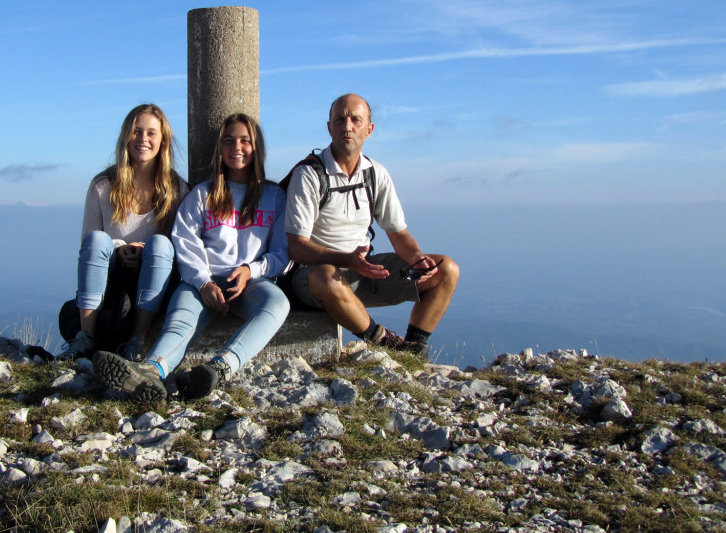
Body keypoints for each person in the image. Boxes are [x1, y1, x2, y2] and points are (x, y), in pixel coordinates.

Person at [94, 113, 290, 404]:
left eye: (245, 141)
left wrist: (251, 270)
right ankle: (151, 372)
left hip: (251, 284)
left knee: (278, 304)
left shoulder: (275, 196)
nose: (237, 147)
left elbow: (282, 253)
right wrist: (203, 282)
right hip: (202, 283)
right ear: (220, 148)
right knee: (179, 323)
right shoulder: (202, 194)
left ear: (257, 147)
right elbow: (184, 242)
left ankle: (219, 368)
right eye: (229, 141)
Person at [283, 93, 459, 357]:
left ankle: (413, 350)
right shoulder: (309, 174)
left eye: (356, 119)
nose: (347, 126)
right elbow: (297, 247)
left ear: (369, 129)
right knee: (327, 276)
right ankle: (383, 341)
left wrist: (417, 258)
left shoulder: (376, 174)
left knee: (446, 269)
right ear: (329, 127)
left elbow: (398, 233)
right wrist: (348, 260)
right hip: (313, 278)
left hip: (364, 272)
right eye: (340, 119)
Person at [69, 104, 187, 361]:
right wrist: (119, 247)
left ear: (163, 140)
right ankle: (85, 338)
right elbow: (88, 245)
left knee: (160, 244)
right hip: (111, 277)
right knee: (98, 240)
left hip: (155, 277)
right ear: (125, 136)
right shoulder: (103, 185)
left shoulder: (177, 189)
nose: (143, 139)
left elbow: (182, 246)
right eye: (136, 131)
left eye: (151, 133)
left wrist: (145, 250)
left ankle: (137, 341)